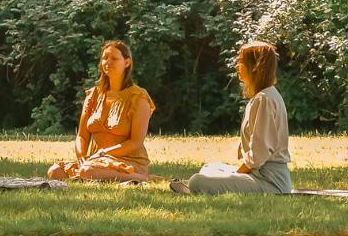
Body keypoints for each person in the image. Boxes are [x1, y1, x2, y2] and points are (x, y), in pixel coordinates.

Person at [171, 41, 292, 195]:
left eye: (241, 61)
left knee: (197, 180)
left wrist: (236, 175)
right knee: (210, 167)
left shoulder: (265, 99)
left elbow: (259, 155)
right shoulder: (263, 96)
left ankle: (198, 188)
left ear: (255, 66)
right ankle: (205, 185)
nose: (237, 66)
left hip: (270, 181)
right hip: (259, 174)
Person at [47, 40, 155, 183]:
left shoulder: (138, 97)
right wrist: (82, 158)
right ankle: (92, 175)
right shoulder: (93, 95)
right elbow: (82, 136)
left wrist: (105, 153)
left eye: (114, 58)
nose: (107, 62)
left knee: (88, 171)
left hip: (127, 160)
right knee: (55, 171)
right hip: (96, 161)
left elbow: (135, 142)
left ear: (127, 62)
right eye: (105, 58)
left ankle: (139, 177)